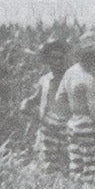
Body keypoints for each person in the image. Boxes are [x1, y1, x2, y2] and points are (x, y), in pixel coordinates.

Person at [60, 32, 95, 184]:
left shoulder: (70, 72)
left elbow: (60, 98)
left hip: (72, 123)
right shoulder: (88, 79)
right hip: (87, 125)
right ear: (94, 56)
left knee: (76, 164)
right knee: (91, 166)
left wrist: (75, 104)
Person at [19, 38, 70, 174]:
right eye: (54, 58)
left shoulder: (69, 79)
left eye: (61, 58)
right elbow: (37, 97)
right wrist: (27, 102)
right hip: (46, 130)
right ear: (47, 60)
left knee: (65, 166)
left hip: (64, 130)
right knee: (47, 166)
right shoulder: (45, 80)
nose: (58, 62)